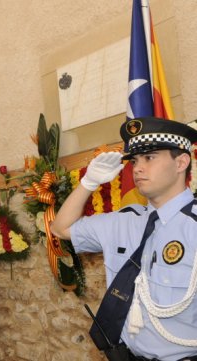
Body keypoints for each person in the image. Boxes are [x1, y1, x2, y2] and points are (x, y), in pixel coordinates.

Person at [51, 116, 197, 360]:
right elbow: (60, 229)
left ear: (181, 162)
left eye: (149, 158)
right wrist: (89, 182)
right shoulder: (123, 221)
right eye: (135, 160)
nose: (137, 168)